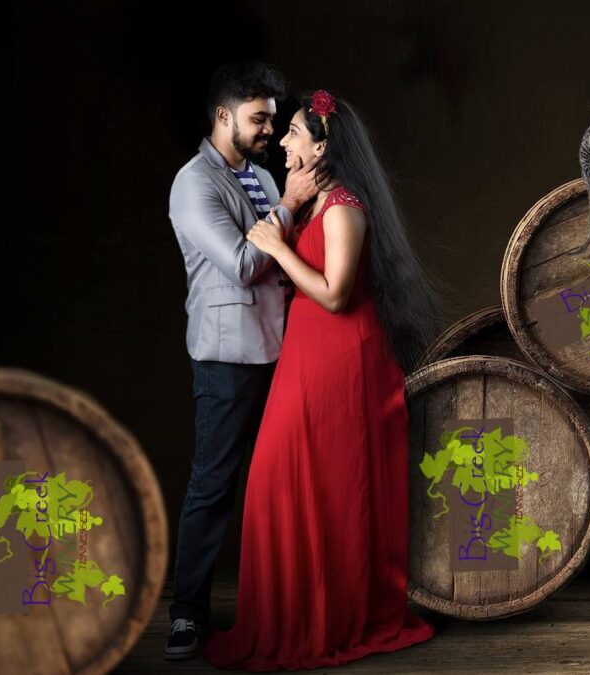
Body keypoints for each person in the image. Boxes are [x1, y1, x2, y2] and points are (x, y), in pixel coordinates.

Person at [199, 88, 444, 670]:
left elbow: (335, 294)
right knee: (281, 482)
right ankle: (295, 614)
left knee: (329, 486)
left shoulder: (345, 206)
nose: (282, 141)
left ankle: (328, 619)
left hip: (341, 356)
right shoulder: (317, 201)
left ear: (323, 144)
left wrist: (276, 249)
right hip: (307, 355)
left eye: (293, 133)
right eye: (280, 131)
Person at [165, 61, 321, 660]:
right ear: (223, 116)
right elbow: (242, 261)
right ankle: (187, 613)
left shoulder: (256, 174)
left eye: (273, 121)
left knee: (278, 481)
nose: (267, 131)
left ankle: (283, 603)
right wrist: (290, 206)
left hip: (282, 349)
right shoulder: (192, 183)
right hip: (228, 357)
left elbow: (284, 251)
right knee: (213, 485)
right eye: (258, 120)